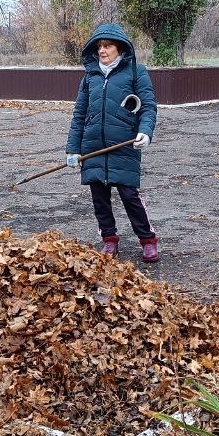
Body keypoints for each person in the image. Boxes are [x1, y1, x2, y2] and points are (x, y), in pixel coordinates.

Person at [65, 23, 160, 263]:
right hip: (93, 145)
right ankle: (109, 240)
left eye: (107, 46)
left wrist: (145, 132)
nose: (102, 51)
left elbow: (147, 107)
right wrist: (73, 149)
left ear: (120, 48)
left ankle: (148, 240)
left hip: (124, 144)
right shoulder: (90, 76)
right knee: (99, 195)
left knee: (129, 194)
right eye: (99, 47)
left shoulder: (136, 72)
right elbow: (79, 114)